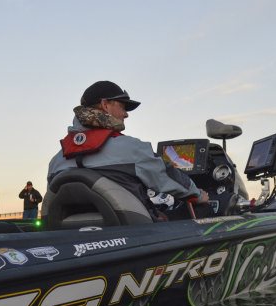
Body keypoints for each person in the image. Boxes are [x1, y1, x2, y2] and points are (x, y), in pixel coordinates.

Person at [47, 81, 208, 220]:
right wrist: (198, 195)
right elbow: (167, 177)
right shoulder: (132, 149)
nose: (126, 115)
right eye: (123, 107)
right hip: (136, 235)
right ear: (105, 105)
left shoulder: (56, 161)